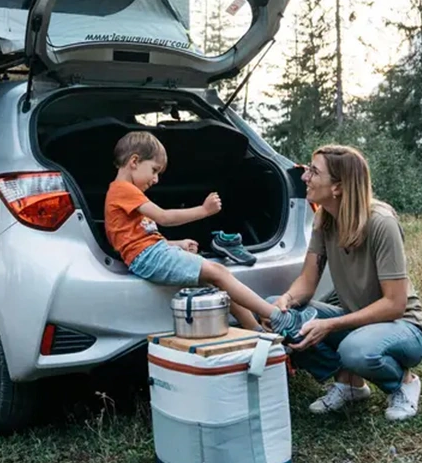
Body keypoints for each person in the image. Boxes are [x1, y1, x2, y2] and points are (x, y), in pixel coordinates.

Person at [269, 144, 422, 422]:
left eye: (314, 172)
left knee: (356, 350)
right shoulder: (325, 219)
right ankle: (350, 384)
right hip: (357, 320)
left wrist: (331, 324)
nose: (305, 177)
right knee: (279, 316)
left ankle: (404, 383)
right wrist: (285, 301)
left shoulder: (381, 223)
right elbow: (307, 282)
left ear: (338, 187)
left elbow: (394, 304)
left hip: (404, 326)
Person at [105, 131, 313, 335]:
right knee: (219, 272)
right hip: (149, 256)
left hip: (150, 253)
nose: (156, 179)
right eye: (154, 170)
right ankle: (279, 318)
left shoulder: (122, 192)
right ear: (134, 161)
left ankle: (257, 332)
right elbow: (164, 217)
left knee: (217, 282)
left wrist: (176, 244)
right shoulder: (124, 189)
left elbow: (136, 239)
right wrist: (203, 211)